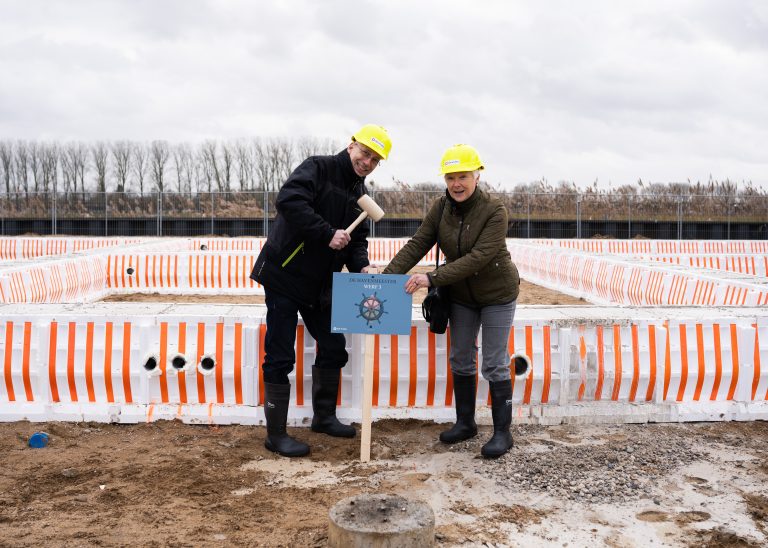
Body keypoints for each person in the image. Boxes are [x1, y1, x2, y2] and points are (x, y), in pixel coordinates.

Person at [250, 124, 392, 457]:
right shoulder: (318, 167)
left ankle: (324, 417)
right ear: (352, 145)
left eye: (375, 159)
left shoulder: (361, 194)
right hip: (285, 274)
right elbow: (289, 201)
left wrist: (362, 267)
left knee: (333, 345)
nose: (367, 162)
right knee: (280, 354)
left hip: (320, 283)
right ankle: (277, 435)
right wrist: (326, 232)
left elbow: (356, 241)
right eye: (365, 153)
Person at [383, 144, 520, 458]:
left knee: (494, 362)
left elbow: (479, 257)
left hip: (497, 294)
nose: (456, 183)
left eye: (462, 176)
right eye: (450, 177)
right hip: (460, 295)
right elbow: (419, 242)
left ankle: (503, 433)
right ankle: (465, 423)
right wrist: (388, 277)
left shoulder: (494, 210)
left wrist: (431, 279)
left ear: (476, 175)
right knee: (460, 357)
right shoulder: (440, 207)